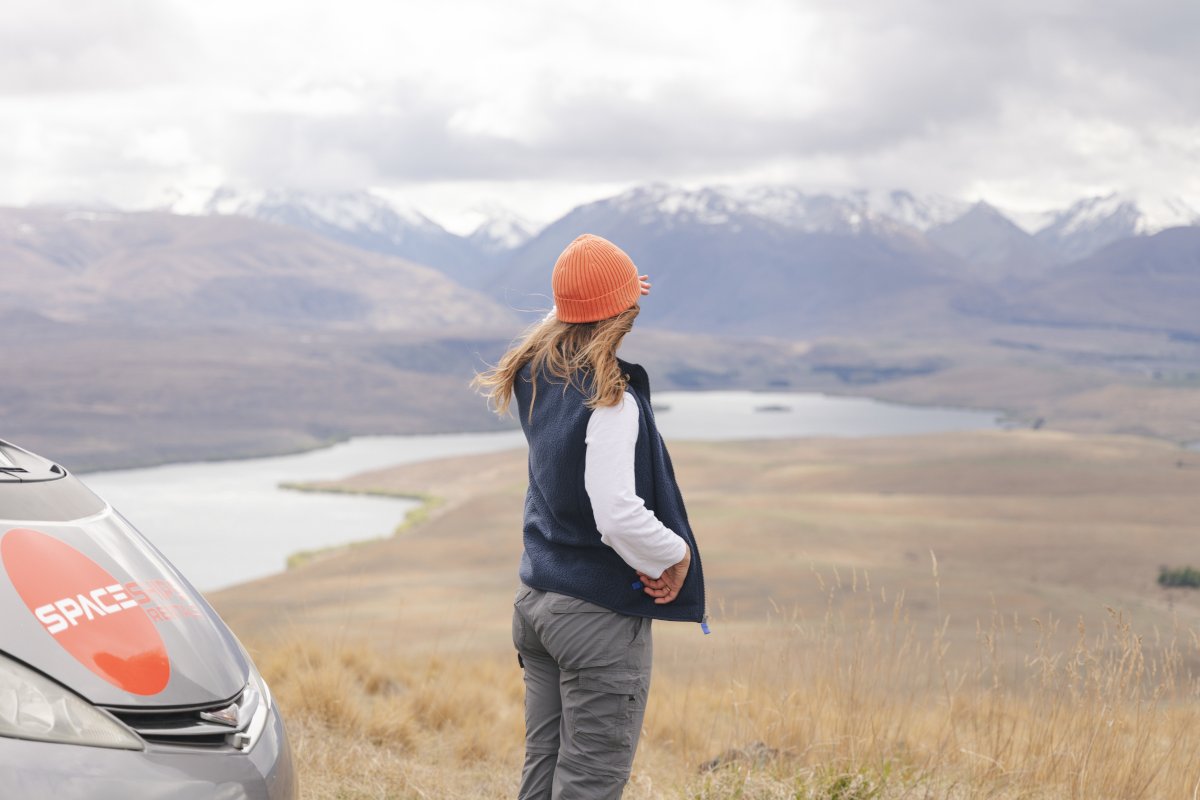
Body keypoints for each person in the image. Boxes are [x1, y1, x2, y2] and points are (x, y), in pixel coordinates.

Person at [473, 233, 707, 800]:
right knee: (588, 784)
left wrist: (595, 291)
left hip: (536, 605)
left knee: (544, 768)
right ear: (623, 312)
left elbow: (569, 314)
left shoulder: (534, 369)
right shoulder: (611, 398)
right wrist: (676, 554)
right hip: (595, 620)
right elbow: (618, 515)